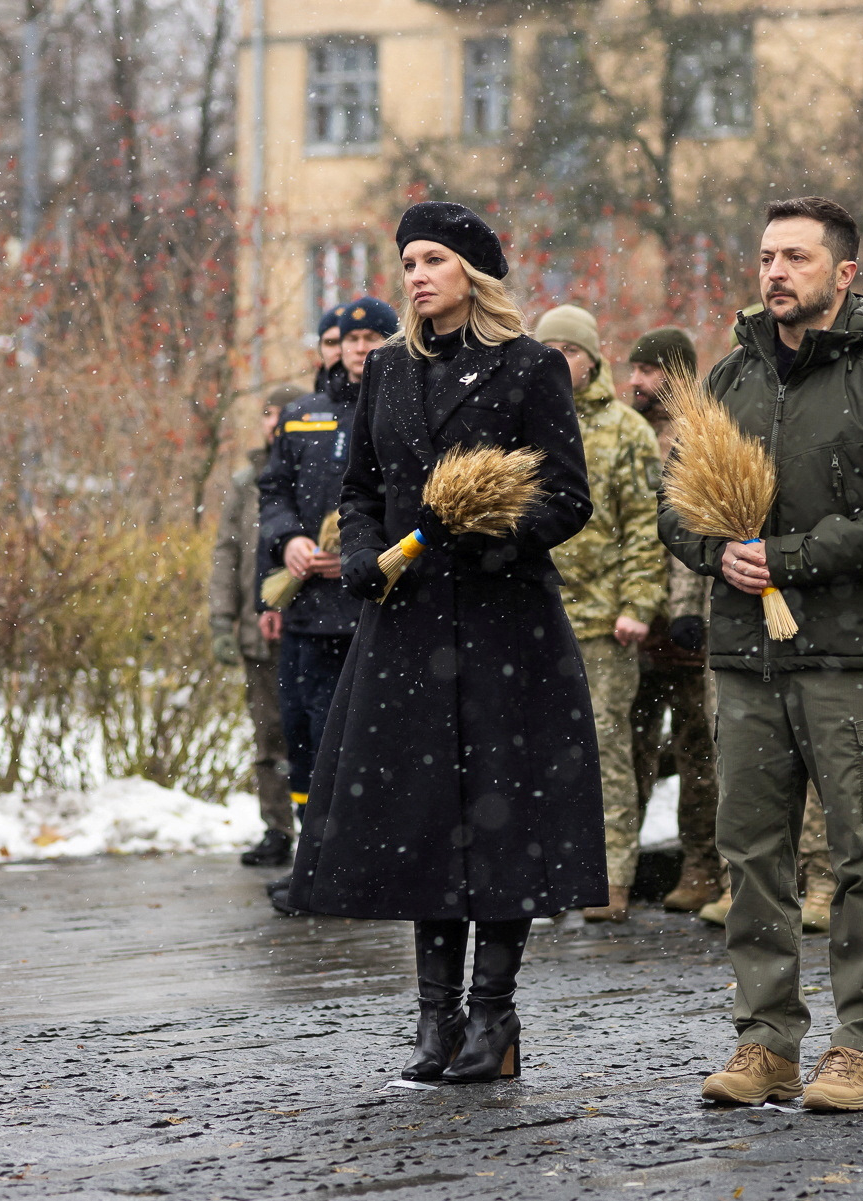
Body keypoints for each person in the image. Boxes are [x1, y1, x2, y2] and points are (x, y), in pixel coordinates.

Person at [286, 201, 606, 1082]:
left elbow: (568, 497)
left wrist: (488, 537)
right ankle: (435, 1019)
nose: (418, 275)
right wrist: (359, 555)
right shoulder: (385, 373)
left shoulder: (532, 367)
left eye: (434, 259)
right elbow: (359, 489)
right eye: (410, 261)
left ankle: (494, 1020)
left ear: (474, 272)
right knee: (424, 823)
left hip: (508, 624)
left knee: (501, 822)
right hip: (409, 625)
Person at [662, 197, 863, 1112]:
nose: (775, 271)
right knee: (751, 852)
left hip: (852, 656)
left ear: (844, 273)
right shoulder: (729, 379)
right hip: (745, 657)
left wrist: (791, 557)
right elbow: (676, 503)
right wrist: (719, 550)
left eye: (794, 256)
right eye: (764, 255)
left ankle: (859, 1045)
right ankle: (767, 1041)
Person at [534, 305, 666, 924]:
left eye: (570, 350)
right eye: (550, 349)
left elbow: (645, 527)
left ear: (593, 360)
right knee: (537, 753)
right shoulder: (523, 424)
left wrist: (639, 605)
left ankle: (610, 878)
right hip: (536, 616)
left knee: (606, 754)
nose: (560, 361)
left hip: (603, 622)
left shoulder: (625, 432)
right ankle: (546, 873)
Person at [260, 297, 395, 876]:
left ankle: (365, 859)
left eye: (370, 338)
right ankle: (312, 861)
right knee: (303, 734)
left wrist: (365, 558)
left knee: (367, 736)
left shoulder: (402, 410)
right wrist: (287, 539)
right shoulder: (302, 414)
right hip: (307, 613)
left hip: (372, 606)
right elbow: (273, 493)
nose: (358, 349)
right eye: (349, 339)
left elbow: (418, 503)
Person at [624, 326, 724, 914]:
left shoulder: (698, 436)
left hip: (686, 622)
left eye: (647, 371)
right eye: (633, 370)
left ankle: (702, 865)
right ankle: (618, 863)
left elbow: (694, 529)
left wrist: (685, 609)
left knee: (698, 752)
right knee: (630, 746)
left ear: (677, 373)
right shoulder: (627, 434)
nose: (633, 381)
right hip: (634, 623)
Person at [211, 385, 300, 867]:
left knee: (318, 737)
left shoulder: (319, 472)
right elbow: (226, 553)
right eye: (268, 413)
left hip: (310, 631)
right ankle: (276, 830)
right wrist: (221, 620)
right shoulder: (245, 481)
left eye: (284, 412)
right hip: (256, 633)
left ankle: (326, 836)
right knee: (268, 736)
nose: (275, 421)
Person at [312, 304, 346, 392]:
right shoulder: (307, 404)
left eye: (349, 341)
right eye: (331, 343)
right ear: (320, 349)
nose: (339, 351)